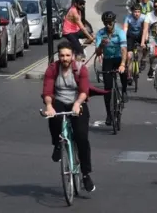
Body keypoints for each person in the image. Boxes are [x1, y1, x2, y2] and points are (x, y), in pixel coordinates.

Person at [42, 41, 96, 192]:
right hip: (59, 100)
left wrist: (78, 103)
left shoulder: (80, 69)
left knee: (81, 137)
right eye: (62, 55)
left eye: (67, 55)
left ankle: (85, 175)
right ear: (58, 56)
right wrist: (48, 106)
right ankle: (58, 144)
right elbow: (47, 91)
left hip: (77, 101)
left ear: (72, 56)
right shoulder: (53, 69)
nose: (65, 58)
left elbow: (84, 90)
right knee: (53, 118)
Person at [95, 11, 128, 125]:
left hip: (119, 58)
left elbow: (124, 49)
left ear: (114, 22)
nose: (108, 25)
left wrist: (123, 64)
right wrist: (101, 45)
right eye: (106, 23)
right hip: (108, 59)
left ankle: (124, 91)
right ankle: (109, 114)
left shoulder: (120, 32)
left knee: (124, 74)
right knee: (107, 88)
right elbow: (98, 53)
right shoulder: (100, 33)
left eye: (110, 23)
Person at [123, 4, 147, 83]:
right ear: (132, 12)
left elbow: (145, 29)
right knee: (129, 56)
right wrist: (123, 39)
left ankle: (143, 59)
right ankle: (129, 75)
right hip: (131, 36)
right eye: (135, 12)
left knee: (146, 46)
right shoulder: (128, 18)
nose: (136, 14)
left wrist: (144, 39)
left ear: (141, 12)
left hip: (141, 35)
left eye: (138, 12)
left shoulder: (144, 17)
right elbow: (125, 29)